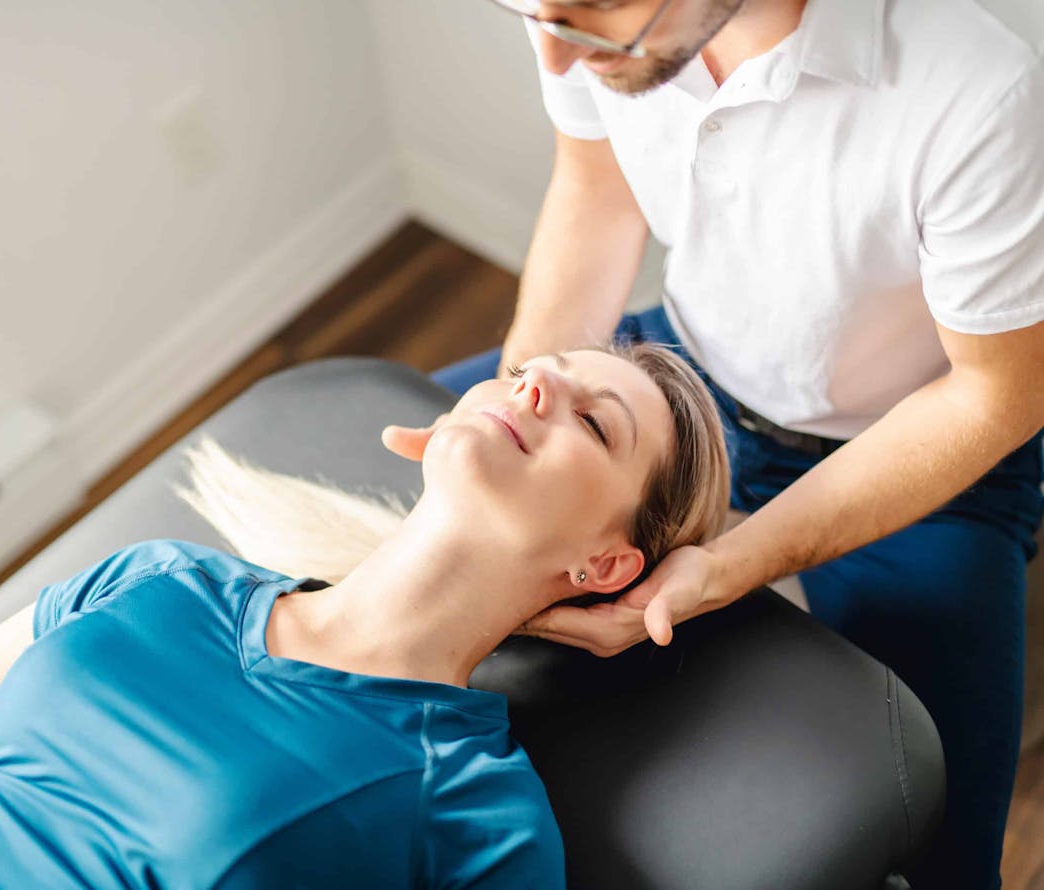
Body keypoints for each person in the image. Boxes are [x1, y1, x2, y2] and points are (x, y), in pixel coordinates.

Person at [418, 1, 1044, 886]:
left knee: (943, 832)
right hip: (685, 372)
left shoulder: (977, 91)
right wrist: (511, 412)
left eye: (594, 17)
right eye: (536, 10)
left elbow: (998, 393)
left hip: (917, 429)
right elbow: (597, 194)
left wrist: (733, 564)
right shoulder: (579, 15)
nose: (556, 53)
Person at [0, 342, 729, 889]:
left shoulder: (475, 813)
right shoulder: (156, 579)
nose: (535, 386)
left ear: (603, 564)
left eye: (595, 423)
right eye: (531, 370)